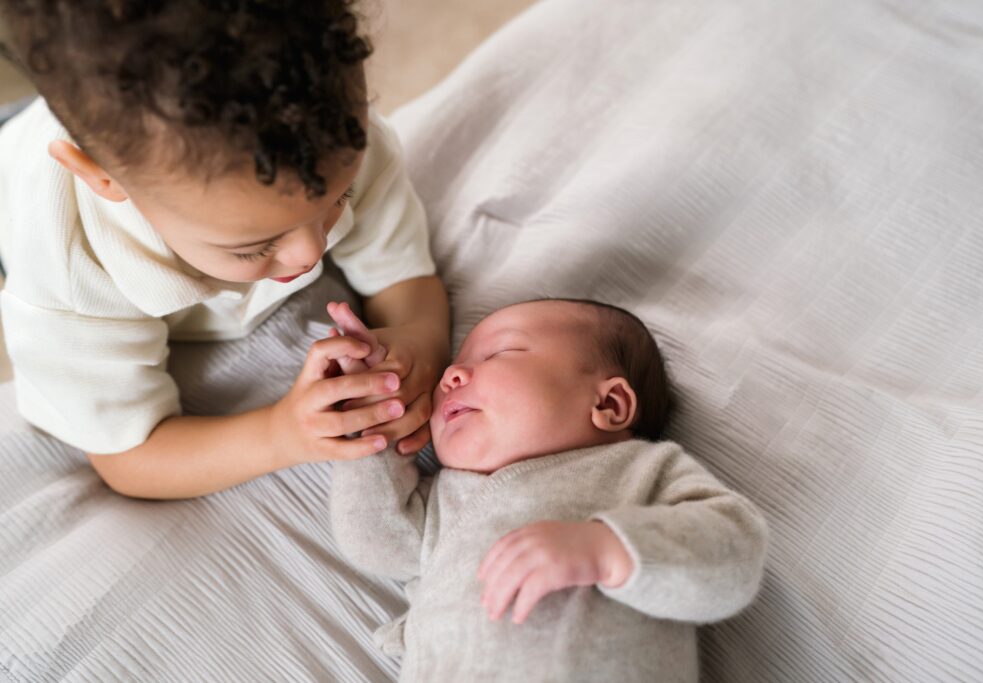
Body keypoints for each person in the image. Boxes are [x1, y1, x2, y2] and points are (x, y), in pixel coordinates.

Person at [0, 2, 450, 499]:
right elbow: (129, 455)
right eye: (254, 245)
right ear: (104, 178)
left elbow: (405, 278)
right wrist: (282, 433)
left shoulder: (327, 140)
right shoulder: (70, 267)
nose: (310, 251)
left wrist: (415, 345)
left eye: (338, 198)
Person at [330, 298, 769, 682]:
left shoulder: (639, 471)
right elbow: (376, 541)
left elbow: (736, 552)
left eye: (500, 352)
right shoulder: (447, 499)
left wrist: (607, 548)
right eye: (453, 367)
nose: (452, 376)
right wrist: (372, 423)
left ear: (608, 405)